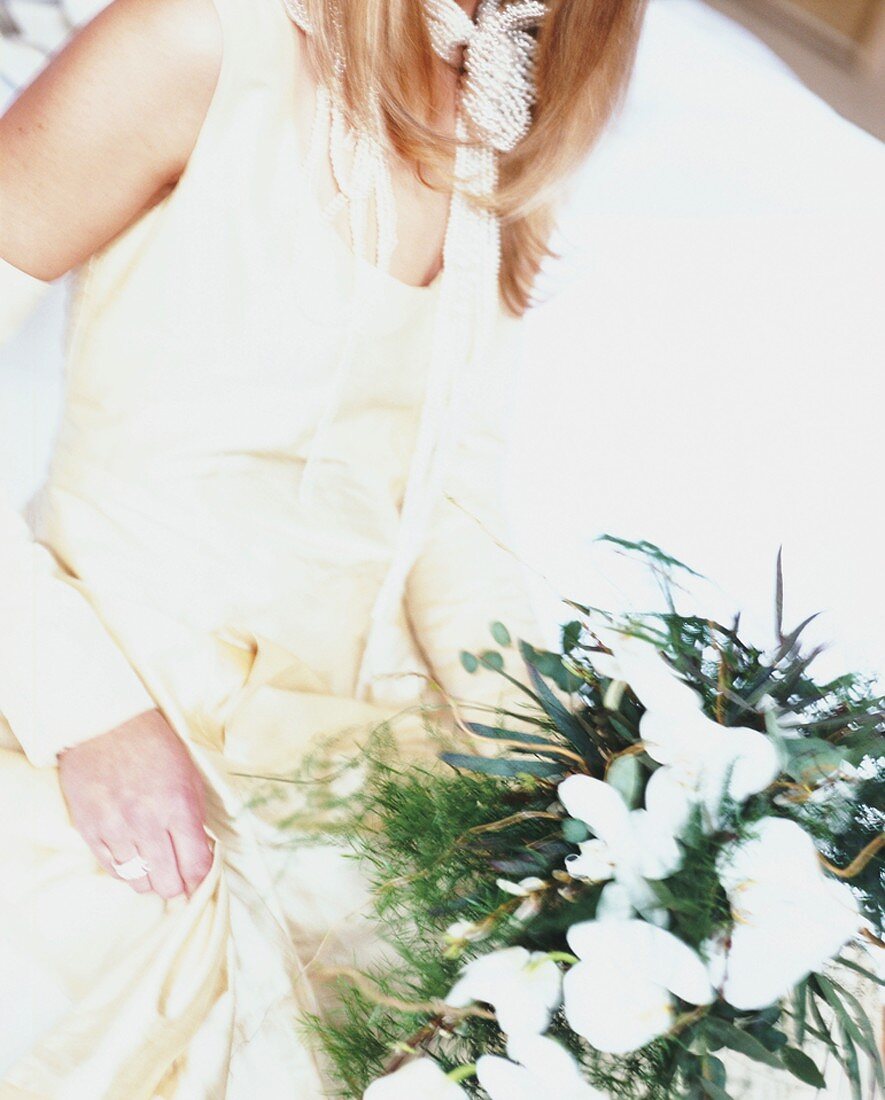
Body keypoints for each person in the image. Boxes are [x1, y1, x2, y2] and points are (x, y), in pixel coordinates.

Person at [0, 0, 645, 1093]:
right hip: (118, 702)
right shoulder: (193, 38)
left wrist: (562, 781)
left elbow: (451, 499)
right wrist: (84, 707)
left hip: (357, 749)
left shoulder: (504, 93)